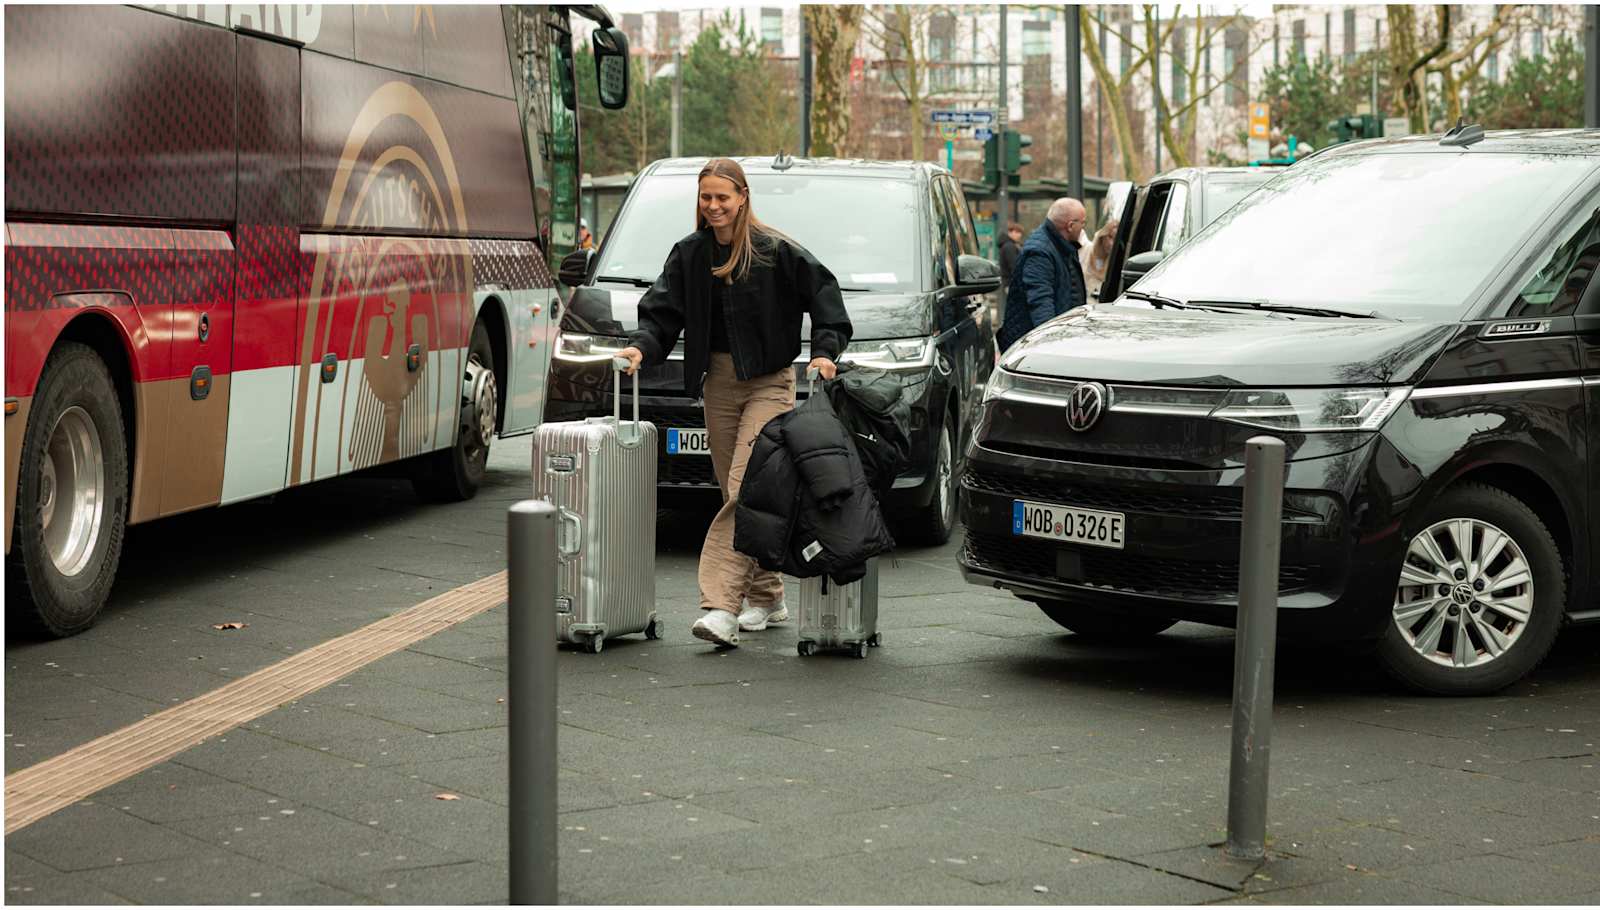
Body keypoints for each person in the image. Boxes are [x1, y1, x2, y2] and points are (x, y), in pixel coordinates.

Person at [617, 158, 852, 648]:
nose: (714, 206)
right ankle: (768, 595)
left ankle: (721, 607)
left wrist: (825, 353)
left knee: (746, 487)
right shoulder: (689, 255)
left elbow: (826, 296)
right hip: (718, 385)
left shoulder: (775, 252)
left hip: (770, 383)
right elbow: (662, 313)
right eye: (706, 197)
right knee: (740, 494)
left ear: (743, 197)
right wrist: (641, 346)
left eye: (723, 197)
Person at [997, 197, 1088, 352]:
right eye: (1083, 222)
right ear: (1070, 226)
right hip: (1033, 347)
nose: (1084, 227)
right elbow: (1040, 302)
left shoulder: (1061, 246)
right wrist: (1051, 345)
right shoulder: (1040, 251)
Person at [1079, 217, 1119, 302]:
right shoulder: (1086, 250)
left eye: (1115, 239)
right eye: (1110, 237)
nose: (1111, 243)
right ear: (1103, 236)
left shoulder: (1116, 262)